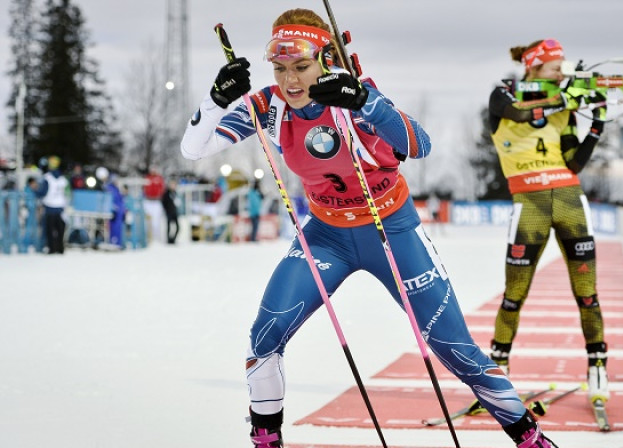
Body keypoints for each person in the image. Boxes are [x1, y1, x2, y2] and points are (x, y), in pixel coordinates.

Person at [181, 9, 556, 448]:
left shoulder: (352, 94)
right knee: (264, 337)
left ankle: (531, 439)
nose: (291, 80)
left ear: (324, 59)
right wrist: (215, 101)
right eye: (280, 69)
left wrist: (363, 101)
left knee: (456, 350)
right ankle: (266, 441)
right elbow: (194, 149)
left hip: (390, 231)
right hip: (326, 237)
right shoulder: (270, 105)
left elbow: (419, 145)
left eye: (301, 66)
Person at [486, 38, 609, 407]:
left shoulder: (563, 109)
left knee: (587, 294)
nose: (562, 71)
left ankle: (598, 369)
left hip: (570, 200)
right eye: (556, 66)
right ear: (534, 67)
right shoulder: (504, 93)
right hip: (530, 203)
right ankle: (497, 372)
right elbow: (520, 113)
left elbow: (573, 162)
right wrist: (568, 98)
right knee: (513, 296)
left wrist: (596, 127)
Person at [36, 155, 69, 254]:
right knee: (60, 230)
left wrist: (36, 192)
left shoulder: (47, 178)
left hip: (49, 207)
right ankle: (60, 248)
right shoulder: (63, 179)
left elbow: (42, 192)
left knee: (50, 230)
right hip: (60, 208)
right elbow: (67, 193)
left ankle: (52, 248)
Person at [161, 179, 179, 244]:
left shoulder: (175, 193)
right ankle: (168, 240)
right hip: (168, 212)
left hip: (174, 212)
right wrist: (166, 210)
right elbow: (163, 202)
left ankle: (173, 239)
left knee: (177, 227)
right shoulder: (166, 193)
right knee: (168, 226)